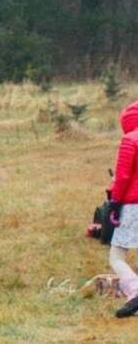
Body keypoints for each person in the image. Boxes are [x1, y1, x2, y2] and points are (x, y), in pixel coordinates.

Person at [109, 101, 138, 318]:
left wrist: (115, 203)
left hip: (132, 205)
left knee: (117, 256)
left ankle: (135, 291)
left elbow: (123, 176)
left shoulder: (130, 140)